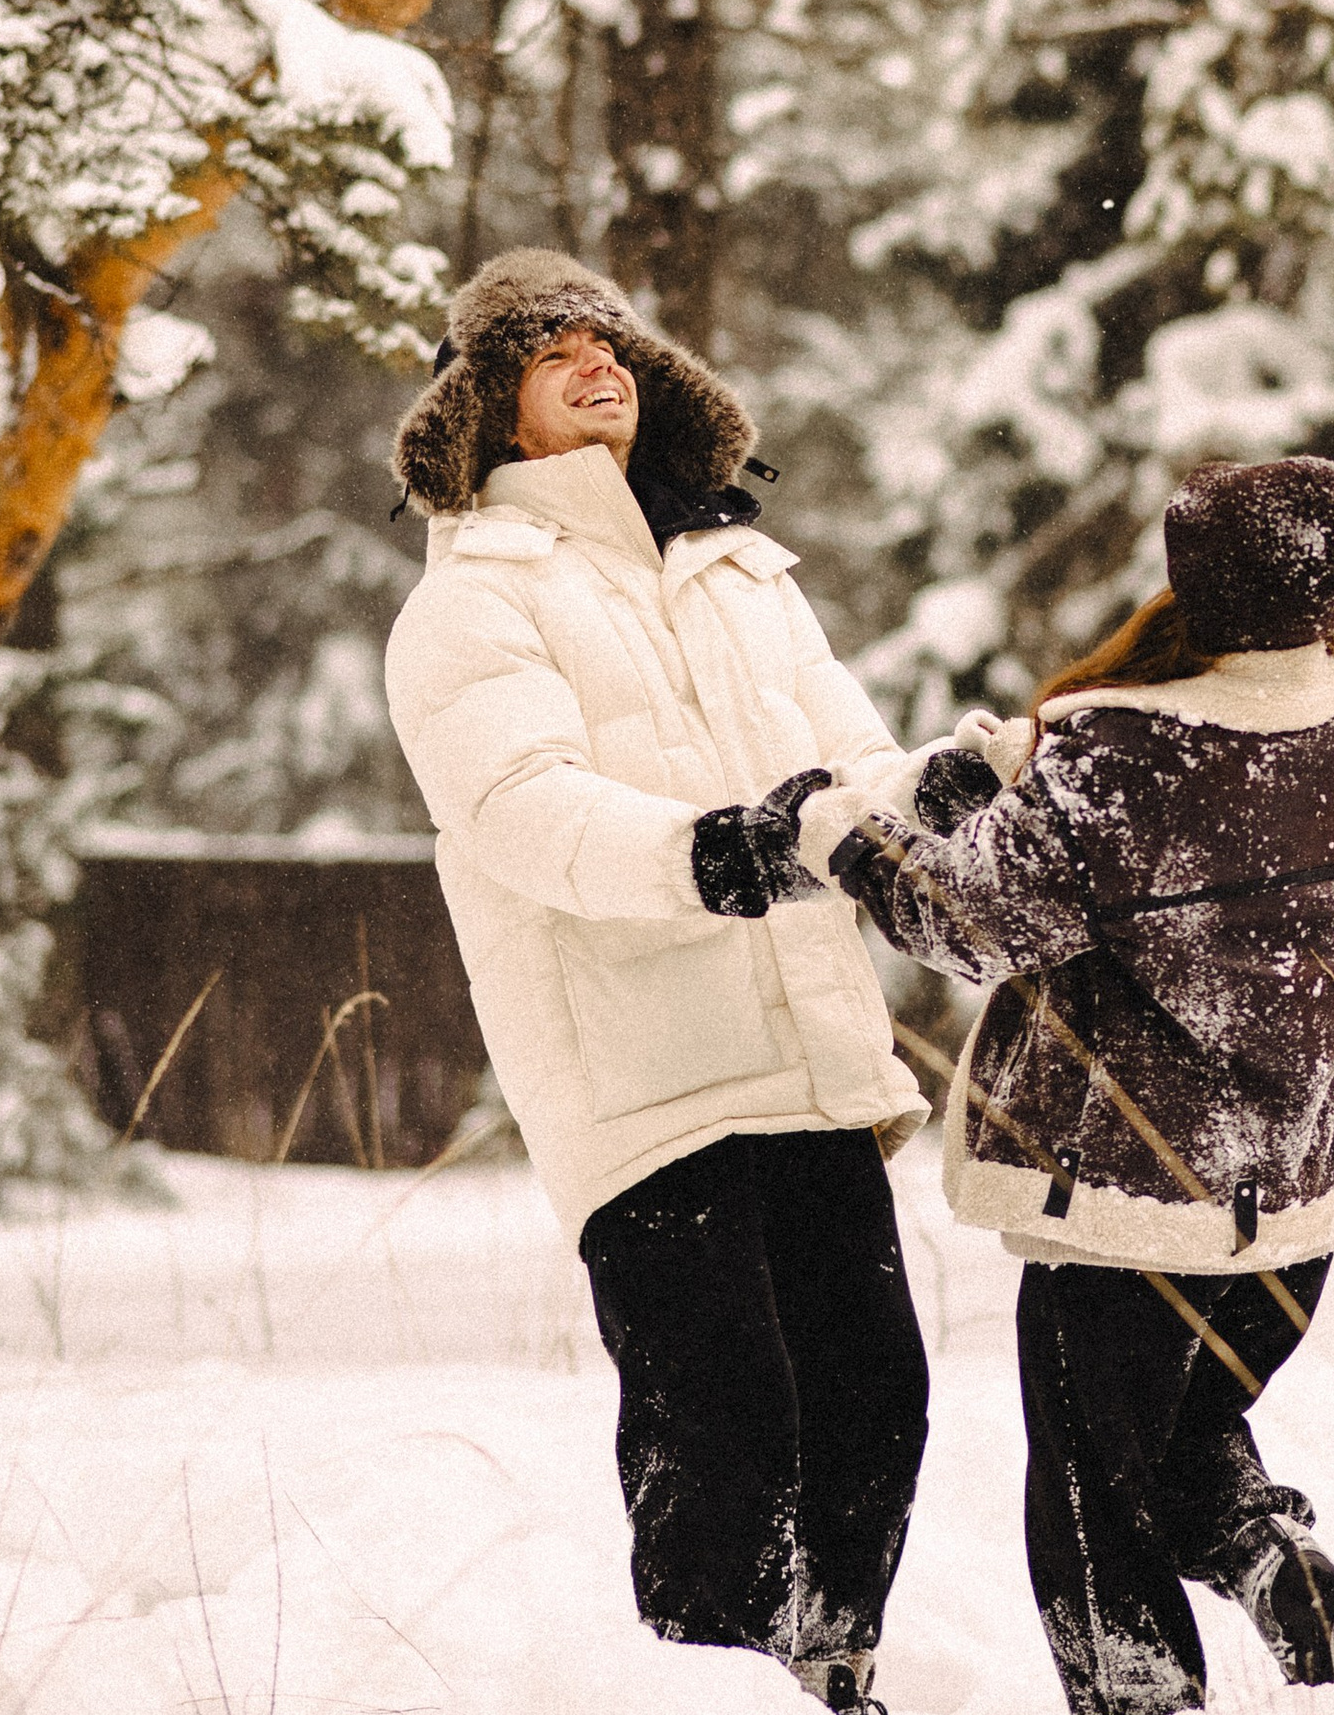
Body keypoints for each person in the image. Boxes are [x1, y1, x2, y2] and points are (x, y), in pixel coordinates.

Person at [381, 250, 930, 1715]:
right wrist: (720, 850)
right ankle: (711, 1685)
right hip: (644, 1079)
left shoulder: (741, 572)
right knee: (724, 1416)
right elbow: (524, 808)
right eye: (549, 351)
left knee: (877, 1396)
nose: (594, 362)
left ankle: (831, 1670)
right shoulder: (470, 602)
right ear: (484, 403)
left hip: (809, 1051)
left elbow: (853, 759)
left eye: (610, 341)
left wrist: (945, 801)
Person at [788, 456, 1334, 1715]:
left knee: (1091, 1492)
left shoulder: (1124, 749)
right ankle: (1296, 1584)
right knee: (1180, 1449)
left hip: (1136, 1205)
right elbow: (1179, 832)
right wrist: (1042, 769)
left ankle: (1138, 1698)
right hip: (1286, 1208)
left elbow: (971, 917)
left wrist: (836, 834)